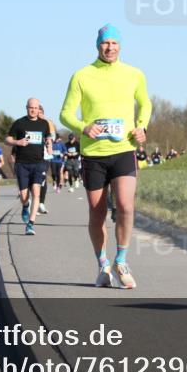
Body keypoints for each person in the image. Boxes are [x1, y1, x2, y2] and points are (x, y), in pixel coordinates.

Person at [60, 24, 151, 289]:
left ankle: (121, 261)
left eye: (114, 43)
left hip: (124, 148)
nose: (109, 48)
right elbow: (65, 113)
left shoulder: (134, 74)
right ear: (97, 45)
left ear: (120, 46)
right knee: (97, 212)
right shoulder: (81, 76)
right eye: (104, 43)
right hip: (93, 154)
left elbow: (145, 103)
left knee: (125, 205)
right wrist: (83, 127)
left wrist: (142, 125)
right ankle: (102, 263)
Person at [6, 98, 51, 235]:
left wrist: (49, 146)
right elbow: (7, 139)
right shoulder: (19, 123)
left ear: (39, 109)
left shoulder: (44, 124)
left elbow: (48, 138)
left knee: (36, 192)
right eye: (31, 107)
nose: (33, 110)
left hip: (38, 163)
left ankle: (30, 224)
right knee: (24, 196)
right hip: (22, 164)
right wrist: (17, 142)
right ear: (27, 108)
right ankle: (25, 205)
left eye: (36, 108)